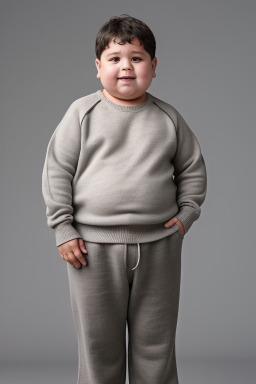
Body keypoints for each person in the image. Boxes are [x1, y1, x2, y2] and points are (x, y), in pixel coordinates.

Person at [42, 14, 207, 384]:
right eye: (115, 58)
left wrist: (187, 214)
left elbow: (193, 171)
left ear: (153, 66)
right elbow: (56, 171)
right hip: (90, 248)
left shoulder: (168, 118)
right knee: (99, 346)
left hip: (160, 246)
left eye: (137, 57)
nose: (126, 67)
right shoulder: (81, 113)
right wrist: (63, 228)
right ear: (98, 68)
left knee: (156, 344)